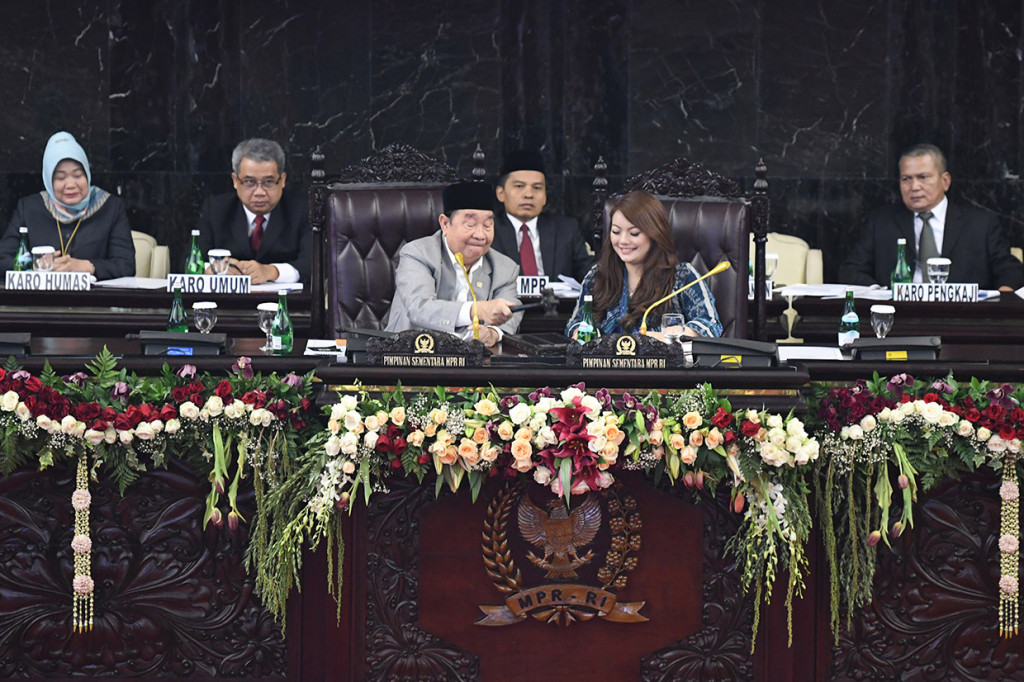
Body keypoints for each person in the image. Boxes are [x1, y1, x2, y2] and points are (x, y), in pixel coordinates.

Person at [839, 143, 1023, 291]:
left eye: (923, 177)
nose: (914, 186)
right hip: (899, 317)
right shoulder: (882, 222)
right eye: (906, 179)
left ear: (945, 181)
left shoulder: (981, 224)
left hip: (963, 319)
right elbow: (851, 269)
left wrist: (1001, 299)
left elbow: (1009, 269)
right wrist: (879, 292)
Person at [566, 191, 722, 338]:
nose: (623, 241)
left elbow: (710, 325)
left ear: (655, 234)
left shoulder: (682, 276)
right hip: (605, 365)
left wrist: (668, 335)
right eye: (616, 231)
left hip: (663, 365)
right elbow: (575, 324)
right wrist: (583, 332)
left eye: (634, 233)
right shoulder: (597, 275)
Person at [385, 181, 523, 347]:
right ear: (445, 224)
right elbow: (419, 308)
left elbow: (511, 311)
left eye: (488, 225)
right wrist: (475, 310)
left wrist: (493, 333)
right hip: (409, 356)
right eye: (470, 224)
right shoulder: (417, 254)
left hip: (473, 365)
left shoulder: (505, 268)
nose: (480, 235)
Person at [0, 131, 135, 279]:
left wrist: (87, 266)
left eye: (78, 175)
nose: (70, 184)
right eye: (60, 177)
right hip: (39, 300)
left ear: (87, 175)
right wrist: (34, 267)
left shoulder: (111, 207)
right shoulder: (29, 208)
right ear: (49, 181)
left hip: (92, 300)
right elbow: (3, 259)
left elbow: (126, 265)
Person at [196, 138, 311, 283]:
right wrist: (214, 269)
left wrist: (272, 271)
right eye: (250, 182)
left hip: (286, 302)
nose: (259, 192)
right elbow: (190, 260)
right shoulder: (215, 209)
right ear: (235, 181)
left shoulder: (302, 210)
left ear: (282, 180)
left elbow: (315, 265)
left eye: (268, 182)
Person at [491, 149, 593, 281]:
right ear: (501, 193)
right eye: (519, 186)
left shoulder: (566, 230)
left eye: (537, 188)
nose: (529, 194)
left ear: (545, 196)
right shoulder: (489, 231)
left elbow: (588, 275)